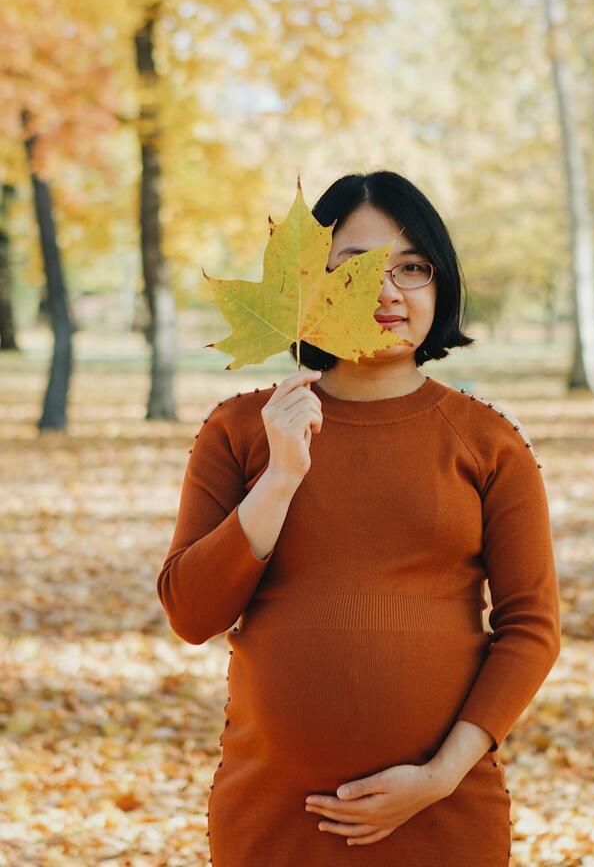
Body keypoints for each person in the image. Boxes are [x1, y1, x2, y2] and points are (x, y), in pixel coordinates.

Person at [156, 169, 562, 866]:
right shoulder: (240, 431)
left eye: (412, 266)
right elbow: (191, 615)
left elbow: (531, 629)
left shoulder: (488, 441)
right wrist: (281, 476)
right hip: (274, 817)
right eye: (354, 269)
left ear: (442, 284)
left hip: (446, 814)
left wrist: (441, 776)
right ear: (307, 288)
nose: (386, 291)